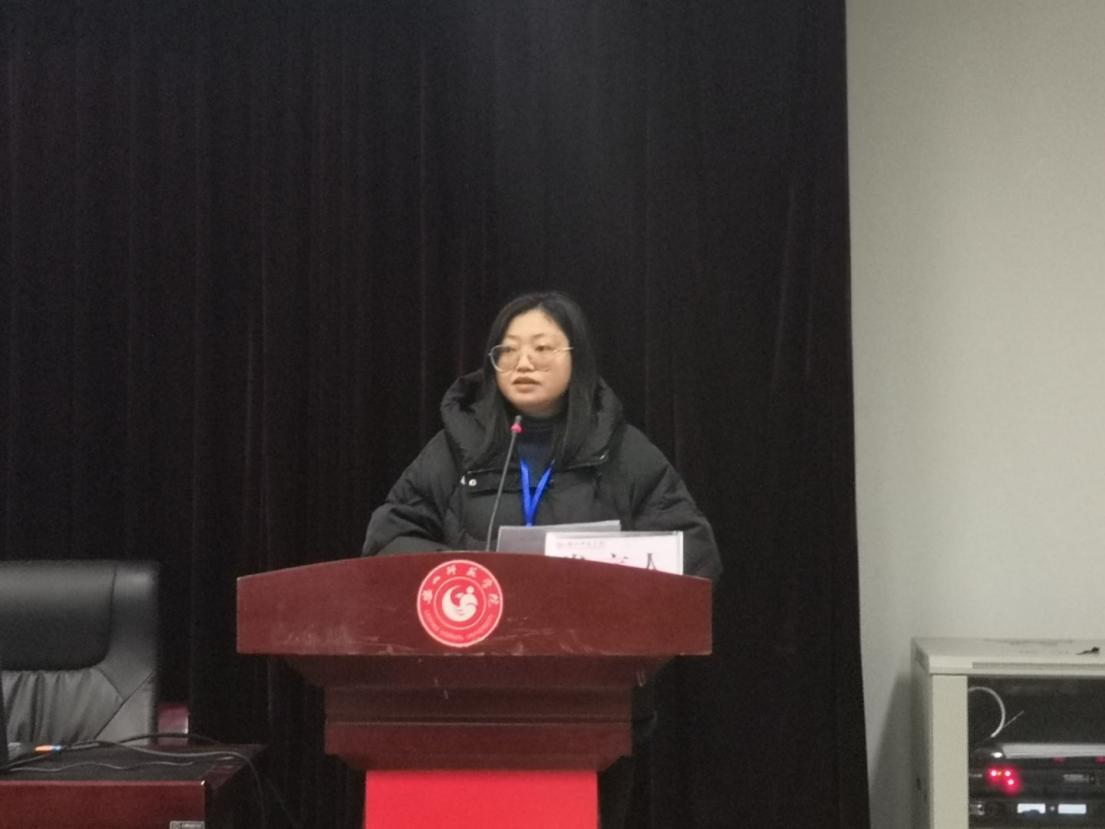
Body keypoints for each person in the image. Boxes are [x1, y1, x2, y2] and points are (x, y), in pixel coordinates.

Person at [361, 290, 722, 827]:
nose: (523, 362)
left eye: (542, 348)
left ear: (578, 357)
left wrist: (606, 586)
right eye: (507, 350)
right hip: (466, 699)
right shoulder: (457, 448)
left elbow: (693, 552)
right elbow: (387, 538)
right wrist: (479, 576)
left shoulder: (621, 451)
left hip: (594, 704)